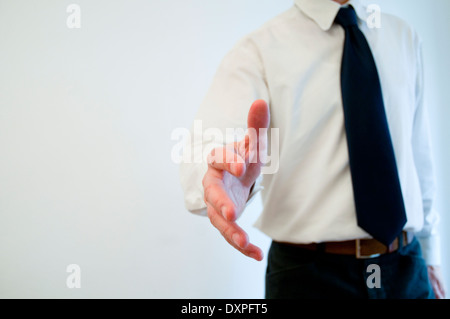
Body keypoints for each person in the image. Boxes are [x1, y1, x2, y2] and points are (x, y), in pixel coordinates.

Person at [180, 0, 446, 299]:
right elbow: (205, 149)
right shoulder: (257, 51)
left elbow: (418, 156)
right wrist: (219, 175)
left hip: (407, 268)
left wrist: (431, 254)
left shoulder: (404, 36)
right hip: (308, 278)